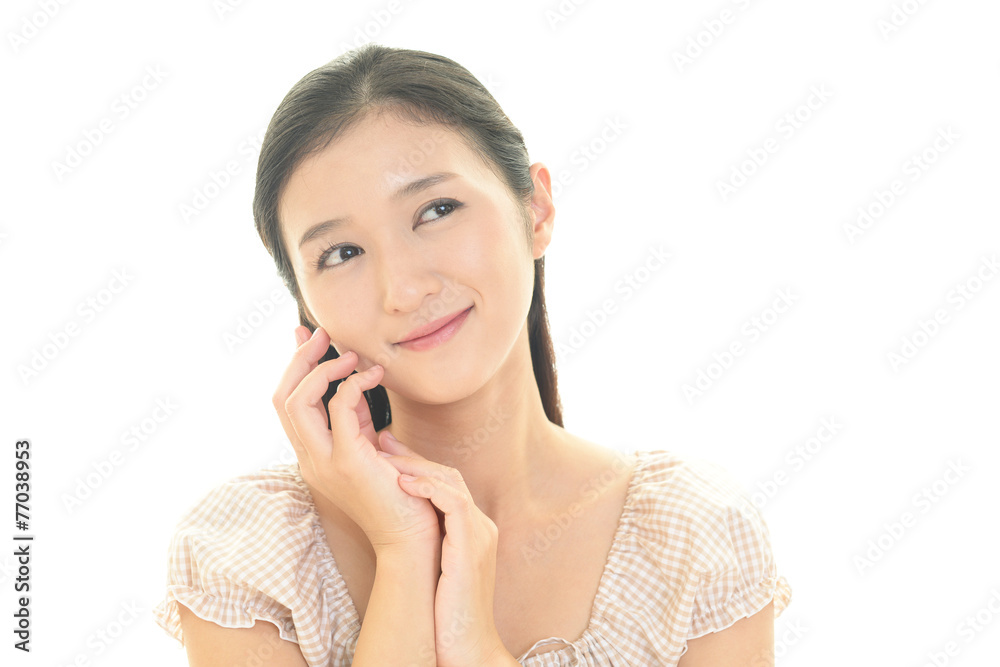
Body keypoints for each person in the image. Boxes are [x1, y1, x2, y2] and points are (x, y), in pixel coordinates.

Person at [153, 43, 792, 666]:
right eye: (342, 253)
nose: (404, 290)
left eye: (436, 210)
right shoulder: (250, 552)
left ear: (535, 210)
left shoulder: (692, 538)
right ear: (307, 307)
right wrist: (404, 550)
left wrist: (478, 651)